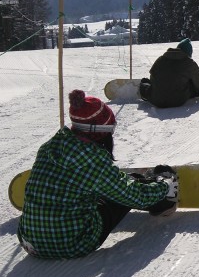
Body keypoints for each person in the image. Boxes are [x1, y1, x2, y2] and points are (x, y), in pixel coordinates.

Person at [16, 90, 179, 259]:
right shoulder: (91, 161)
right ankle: (164, 203)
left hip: (29, 241)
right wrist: (164, 186)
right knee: (129, 186)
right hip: (73, 243)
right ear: (101, 131)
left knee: (95, 190)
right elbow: (132, 195)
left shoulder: (49, 147)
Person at [139, 37, 199, 108]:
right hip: (178, 101)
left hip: (157, 100)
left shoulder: (160, 59)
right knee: (191, 84)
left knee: (144, 82)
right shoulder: (190, 63)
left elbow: (153, 78)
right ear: (188, 53)